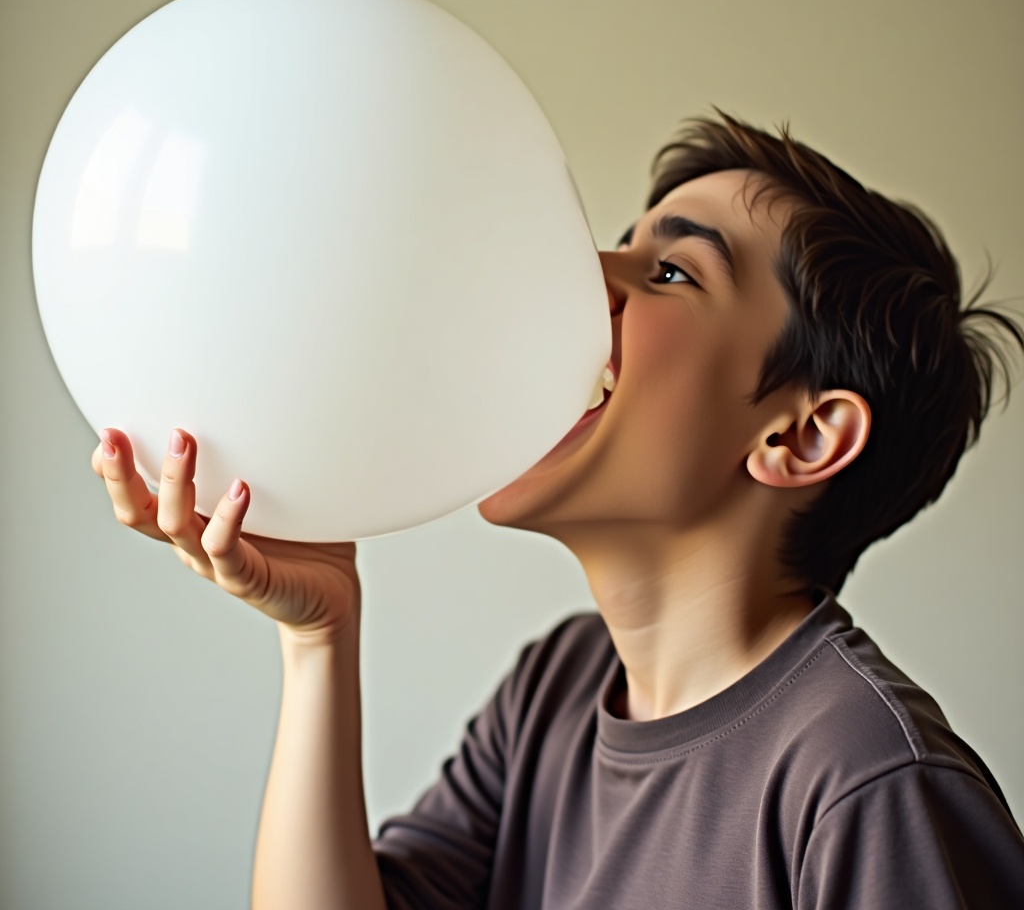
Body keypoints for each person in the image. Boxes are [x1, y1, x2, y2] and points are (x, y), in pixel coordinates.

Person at [94, 111, 1024, 909]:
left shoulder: (870, 781)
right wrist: (319, 639)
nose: (587, 275)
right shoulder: (556, 689)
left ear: (802, 437)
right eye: (623, 242)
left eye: (671, 274)